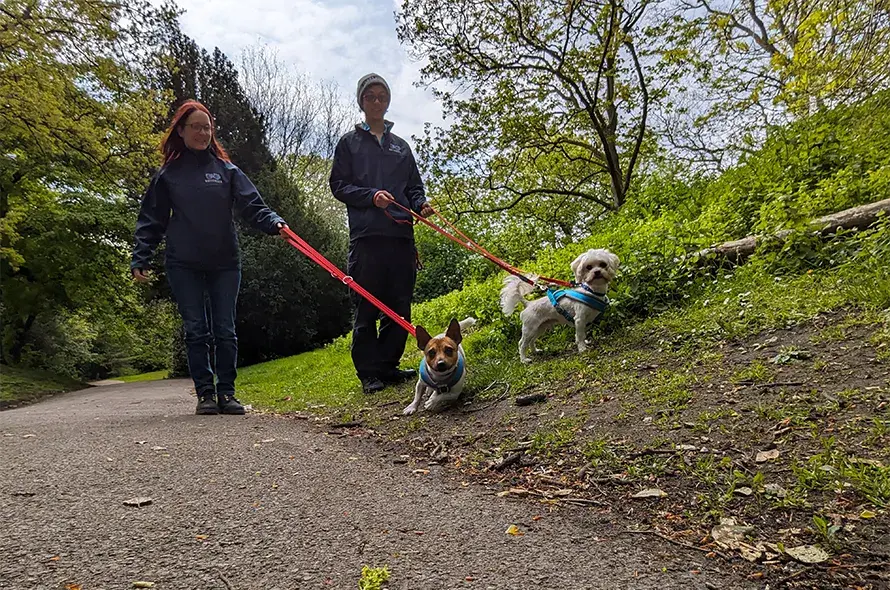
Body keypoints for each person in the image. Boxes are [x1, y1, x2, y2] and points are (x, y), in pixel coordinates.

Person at [131, 100, 288, 415]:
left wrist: (274, 222)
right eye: (196, 127)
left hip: (224, 262)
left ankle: (226, 393)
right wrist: (141, 256)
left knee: (224, 329)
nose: (202, 133)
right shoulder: (168, 175)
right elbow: (151, 219)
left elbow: (252, 205)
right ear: (181, 130)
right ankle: (205, 394)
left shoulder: (226, 171)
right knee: (196, 329)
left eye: (207, 128)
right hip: (183, 263)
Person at [330, 73, 434, 394]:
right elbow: (338, 185)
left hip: (401, 237)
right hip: (366, 239)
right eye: (370, 96)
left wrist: (420, 204)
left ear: (388, 102)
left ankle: (388, 367)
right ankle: (369, 374)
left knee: (400, 306)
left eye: (382, 97)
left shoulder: (401, 146)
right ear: (361, 102)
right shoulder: (348, 143)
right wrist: (371, 196)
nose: (377, 102)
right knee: (366, 306)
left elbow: (413, 187)